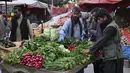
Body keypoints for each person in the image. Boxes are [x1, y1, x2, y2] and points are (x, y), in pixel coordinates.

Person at [84, 8, 124, 73]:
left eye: (99, 19)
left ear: (105, 17)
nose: (98, 21)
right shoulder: (109, 25)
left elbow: (103, 40)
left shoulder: (111, 27)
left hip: (114, 57)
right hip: (113, 55)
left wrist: (90, 50)